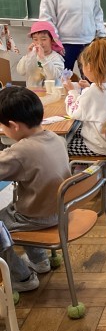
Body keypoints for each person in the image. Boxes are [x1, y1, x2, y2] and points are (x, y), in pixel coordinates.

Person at [0, 87, 71, 292]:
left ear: (14, 126)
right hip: (60, 209)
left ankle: (22, 278)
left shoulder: (21, 151)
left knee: (8, 220)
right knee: (16, 206)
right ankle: (40, 261)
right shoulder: (56, 137)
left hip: (37, 216)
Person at [64, 39, 106, 156]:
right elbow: (101, 100)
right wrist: (89, 87)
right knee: (74, 131)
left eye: (82, 66)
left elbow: (73, 112)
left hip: (97, 146)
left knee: (60, 146)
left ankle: (80, 166)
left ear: (89, 67)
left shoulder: (93, 92)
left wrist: (71, 91)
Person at [16, 21, 65, 88]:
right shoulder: (32, 56)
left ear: (52, 40)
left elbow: (53, 76)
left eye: (43, 39)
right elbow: (21, 71)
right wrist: (28, 55)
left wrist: (43, 58)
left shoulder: (56, 57)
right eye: (35, 39)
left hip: (50, 92)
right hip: (33, 91)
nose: (40, 43)